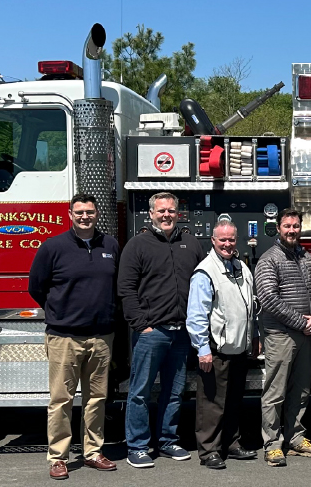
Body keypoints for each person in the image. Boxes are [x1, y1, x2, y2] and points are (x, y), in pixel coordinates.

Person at [28, 193, 120, 479]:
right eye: (79, 212)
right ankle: (58, 457)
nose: (84, 217)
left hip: (101, 337)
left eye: (89, 212)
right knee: (61, 400)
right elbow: (36, 287)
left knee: (97, 399)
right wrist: (61, 313)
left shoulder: (111, 245)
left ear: (96, 214)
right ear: (70, 214)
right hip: (64, 337)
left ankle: (93, 452)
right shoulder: (53, 247)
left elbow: (118, 285)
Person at [118, 191, 203, 467]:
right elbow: (126, 289)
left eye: (171, 210)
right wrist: (142, 326)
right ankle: (138, 446)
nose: (166, 215)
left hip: (181, 334)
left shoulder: (191, 244)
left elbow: (203, 284)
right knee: (140, 391)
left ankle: (167, 441)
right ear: (150, 214)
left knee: (175, 391)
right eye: (161, 210)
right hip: (152, 333)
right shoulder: (137, 245)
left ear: (179, 213)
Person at [186, 219, 260, 469]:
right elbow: (197, 315)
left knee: (233, 401)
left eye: (231, 239)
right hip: (215, 351)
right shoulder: (205, 272)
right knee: (211, 404)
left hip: (239, 349)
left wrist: (254, 338)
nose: (227, 244)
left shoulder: (241, 267)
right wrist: (203, 349)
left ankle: (231, 444)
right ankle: (209, 451)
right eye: (222, 240)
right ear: (213, 241)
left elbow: (251, 307)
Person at [255, 209, 311, 466]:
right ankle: (272, 444)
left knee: (301, 390)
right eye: (287, 226)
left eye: (296, 226)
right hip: (281, 335)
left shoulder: (305, 256)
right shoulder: (269, 259)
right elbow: (268, 298)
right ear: (279, 228)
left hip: (305, 334)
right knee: (275, 391)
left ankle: (295, 437)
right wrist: (301, 322)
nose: (292, 230)